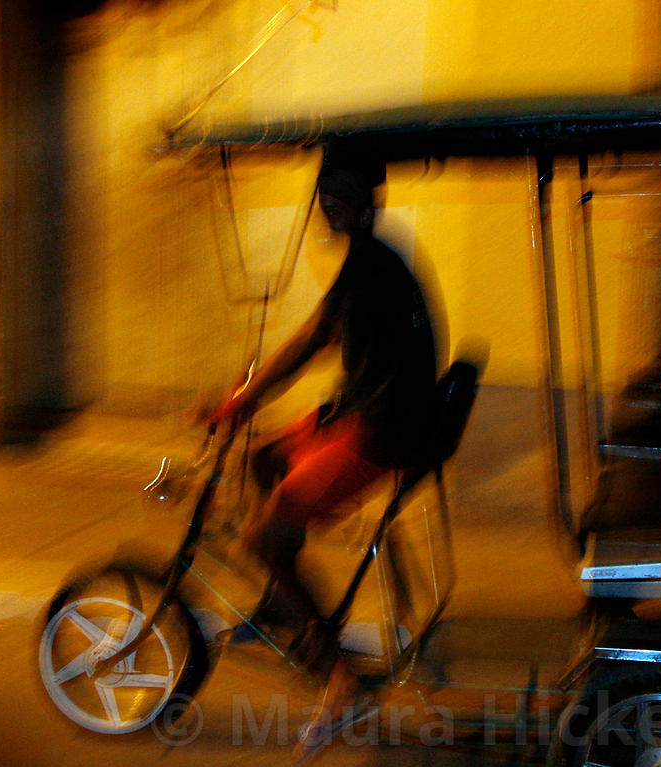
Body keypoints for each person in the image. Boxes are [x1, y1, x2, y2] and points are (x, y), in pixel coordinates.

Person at [208, 153, 438, 759]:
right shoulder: (373, 261)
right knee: (261, 461)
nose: (330, 203)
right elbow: (319, 337)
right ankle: (280, 607)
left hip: (380, 433)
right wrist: (248, 398)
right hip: (369, 413)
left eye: (343, 194)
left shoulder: (370, 268)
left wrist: (244, 397)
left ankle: (340, 681)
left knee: (259, 539)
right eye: (325, 192)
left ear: (368, 204)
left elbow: (312, 339)